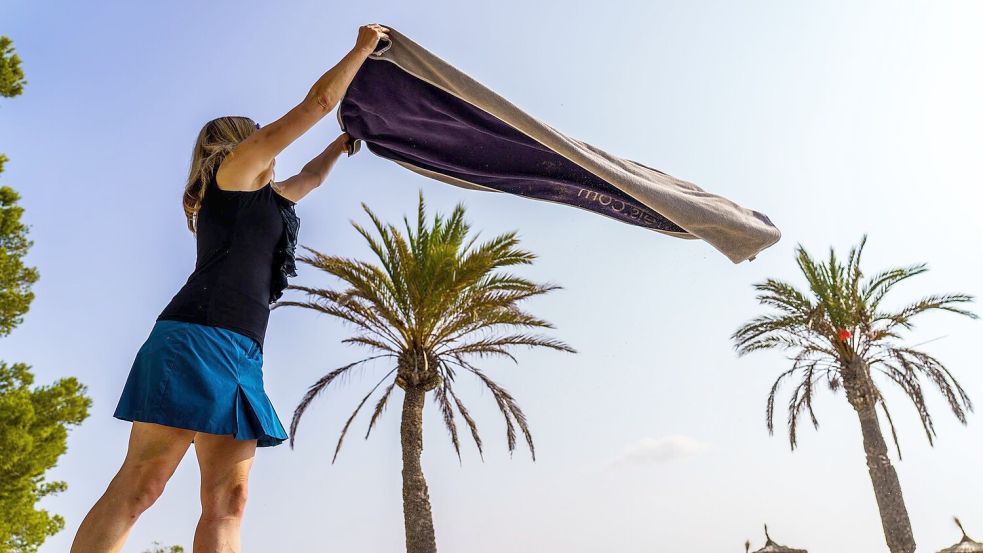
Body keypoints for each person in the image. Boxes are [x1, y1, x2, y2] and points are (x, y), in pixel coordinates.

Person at [69, 24, 390, 553]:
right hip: (194, 337)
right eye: (261, 132)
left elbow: (311, 176)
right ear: (241, 139)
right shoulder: (235, 171)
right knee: (144, 484)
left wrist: (342, 142)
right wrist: (360, 50)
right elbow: (318, 101)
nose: (271, 139)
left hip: (243, 352)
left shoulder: (271, 198)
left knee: (230, 501)